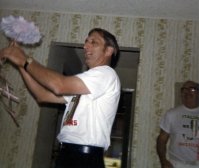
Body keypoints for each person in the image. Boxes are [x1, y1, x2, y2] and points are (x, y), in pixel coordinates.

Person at [0, 28, 121, 168]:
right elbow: (42, 95)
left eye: (93, 42)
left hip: (84, 158)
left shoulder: (106, 74)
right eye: (86, 42)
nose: (85, 46)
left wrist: (25, 60)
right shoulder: (86, 84)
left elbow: (59, 85)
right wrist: (20, 64)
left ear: (108, 51)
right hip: (68, 155)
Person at [156, 80, 199, 168]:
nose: (187, 92)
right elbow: (161, 140)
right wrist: (163, 161)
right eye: (184, 90)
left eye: (191, 89)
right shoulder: (172, 114)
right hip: (176, 164)